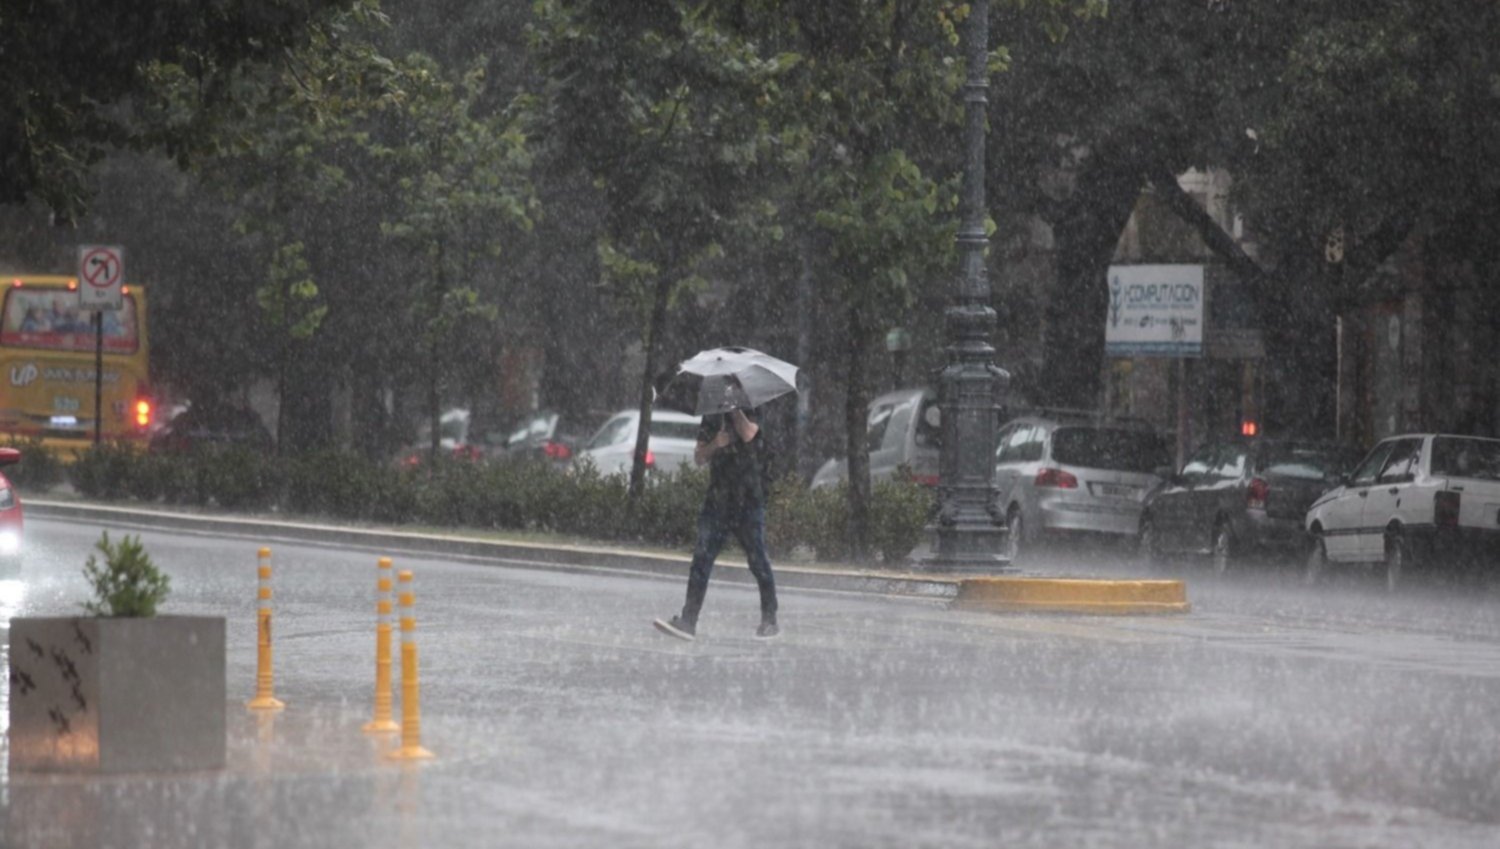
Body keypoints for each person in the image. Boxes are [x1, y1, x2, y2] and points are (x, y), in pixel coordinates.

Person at [654, 405, 778, 641]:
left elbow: (749, 433)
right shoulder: (711, 415)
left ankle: (770, 618)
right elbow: (699, 457)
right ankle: (688, 620)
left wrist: (734, 411)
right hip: (718, 500)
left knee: (757, 559)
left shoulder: (754, 406)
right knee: (701, 559)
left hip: (748, 498)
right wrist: (715, 444)